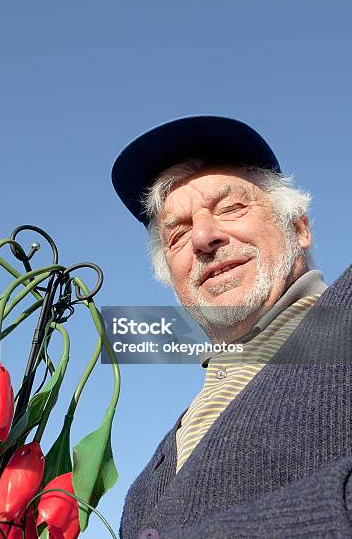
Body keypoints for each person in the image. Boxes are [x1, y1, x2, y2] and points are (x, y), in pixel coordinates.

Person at [111, 116, 351, 539]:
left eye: (231, 208)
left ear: (299, 228)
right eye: (178, 234)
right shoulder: (149, 477)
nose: (203, 236)